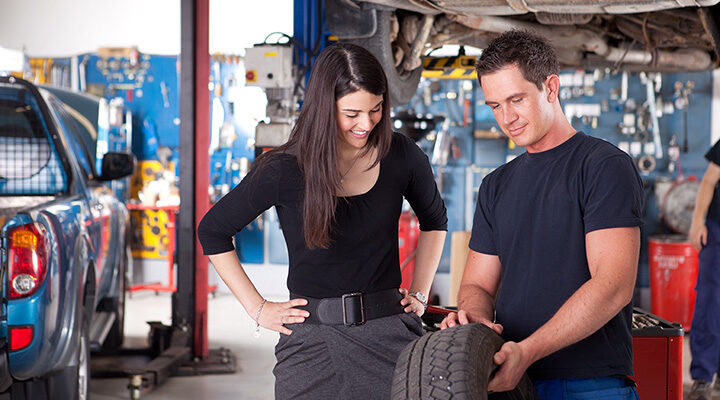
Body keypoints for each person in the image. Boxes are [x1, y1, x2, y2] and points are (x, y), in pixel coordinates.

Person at [197, 42, 447, 399]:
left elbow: (435, 221)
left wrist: (420, 293)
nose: (366, 123)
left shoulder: (402, 156)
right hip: (309, 344)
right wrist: (258, 308)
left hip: (389, 337)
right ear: (324, 108)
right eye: (352, 113)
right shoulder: (282, 170)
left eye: (375, 109)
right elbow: (213, 231)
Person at [440, 30, 643, 399]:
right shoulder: (495, 185)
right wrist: (476, 320)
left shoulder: (603, 166)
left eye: (516, 99)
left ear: (551, 87)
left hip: (589, 384)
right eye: (495, 105)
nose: (507, 117)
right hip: (513, 382)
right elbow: (477, 286)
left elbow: (613, 285)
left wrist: (528, 350)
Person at [687, 140, 720, 400]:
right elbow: (709, 181)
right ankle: (703, 377)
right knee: (710, 302)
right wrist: (698, 221)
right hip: (717, 230)